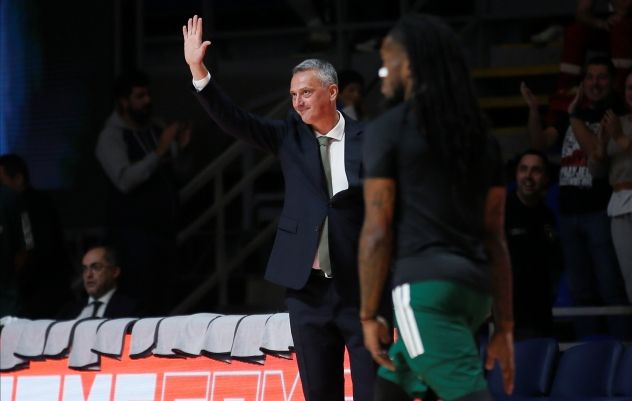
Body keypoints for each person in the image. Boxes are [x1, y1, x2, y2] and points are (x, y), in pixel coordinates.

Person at [183, 15, 387, 401]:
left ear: (332, 91)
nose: (297, 102)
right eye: (293, 95)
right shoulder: (288, 137)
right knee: (319, 392)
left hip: (361, 287)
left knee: (374, 392)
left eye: (306, 93)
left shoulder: (372, 137)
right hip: (307, 291)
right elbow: (235, 121)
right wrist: (199, 72)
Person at [358, 14, 514, 401]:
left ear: (409, 64)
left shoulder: (388, 128)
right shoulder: (481, 136)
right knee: (391, 384)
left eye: (387, 62)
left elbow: (377, 230)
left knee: (469, 395)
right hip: (475, 293)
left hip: (424, 294)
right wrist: (505, 325)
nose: (382, 73)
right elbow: (495, 238)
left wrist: (367, 314)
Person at [521, 57, 629, 332]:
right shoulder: (572, 114)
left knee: (610, 287)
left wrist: (572, 116)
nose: (595, 83)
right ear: (582, 83)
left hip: (600, 211)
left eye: (602, 77)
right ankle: (587, 349)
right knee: (580, 290)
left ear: (612, 82)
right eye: (590, 77)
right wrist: (534, 110)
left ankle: (623, 347)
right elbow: (538, 143)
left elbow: (594, 151)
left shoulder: (617, 114)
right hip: (568, 214)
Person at [95, 70, 191, 316]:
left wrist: (180, 148)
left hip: (164, 235)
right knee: (139, 306)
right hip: (132, 241)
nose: (147, 101)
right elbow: (125, 180)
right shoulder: (111, 137)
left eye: (148, 94)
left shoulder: (155, 128)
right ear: (123, 101)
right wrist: (160, 151)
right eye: (139, 96)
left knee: (165, 303)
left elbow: (177, 174)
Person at [0, 153, 73, 319]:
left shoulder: (25, 202)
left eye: (1, 182)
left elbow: (28, 249)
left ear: (18, 178)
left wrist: (10, 276)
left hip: (42, 290)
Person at [505, 150, 562, 339]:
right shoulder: (500, 214)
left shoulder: (547, 216)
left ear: (546, 178)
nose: (528, 176)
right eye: (523, 169)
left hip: (541, 313)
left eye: (536, 170)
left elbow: (555, 261)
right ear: (516, 174)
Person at [591, 67, 632, 302]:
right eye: (629, 88)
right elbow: (596, 172)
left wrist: (620, 138)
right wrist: (600, 147)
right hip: (619, 205)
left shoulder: (618, 129)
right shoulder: (618, 122)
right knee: (630, 278)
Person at [556, 0, 631, 97]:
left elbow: (624, 8)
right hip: (611, 24)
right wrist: (600, 23)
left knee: (620, 28)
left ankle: (620, 87)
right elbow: (581, 13)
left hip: (626, 24)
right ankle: (565, 88)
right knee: (575, 31)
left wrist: (619, 15)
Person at [57, 245, 144, 319]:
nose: (88, 275)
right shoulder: (68, 311)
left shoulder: (131, 309)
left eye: (96, 267)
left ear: (114, 272)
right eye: (85, 269)